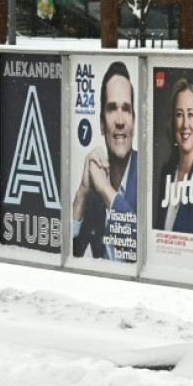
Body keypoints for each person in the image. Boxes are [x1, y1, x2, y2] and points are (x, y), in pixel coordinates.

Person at [72, 61, 138, 261]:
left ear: (134, 122)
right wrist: (82, 193)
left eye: (125, 109)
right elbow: (69, 253)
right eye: (112, 108)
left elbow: (140, 246)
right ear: (102, 124)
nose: (119, 121)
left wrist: (105, 190)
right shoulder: (95, 190)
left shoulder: (149, 176)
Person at [154, 78, 193, 235]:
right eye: (179, 115)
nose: (185, 124)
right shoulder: (167, 173)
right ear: (172, 122)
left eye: (190, 114)